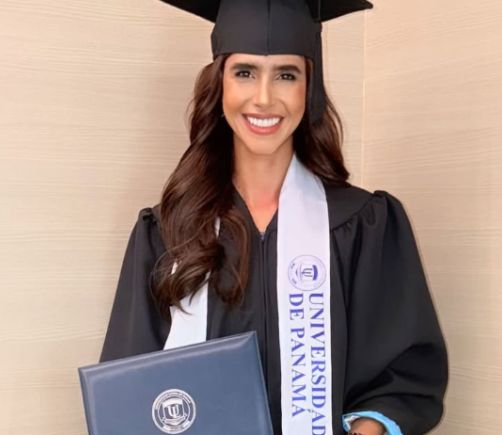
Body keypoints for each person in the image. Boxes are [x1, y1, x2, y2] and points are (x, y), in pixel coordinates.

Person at [99, 1, 448, 434]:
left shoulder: (362, 226)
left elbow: (406, 377)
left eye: (286, 75)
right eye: (244, 72)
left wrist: (370, 428)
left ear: (309, 89)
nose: (264, 97)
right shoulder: (167, 235)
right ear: (219, 84)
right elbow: (128, 394)